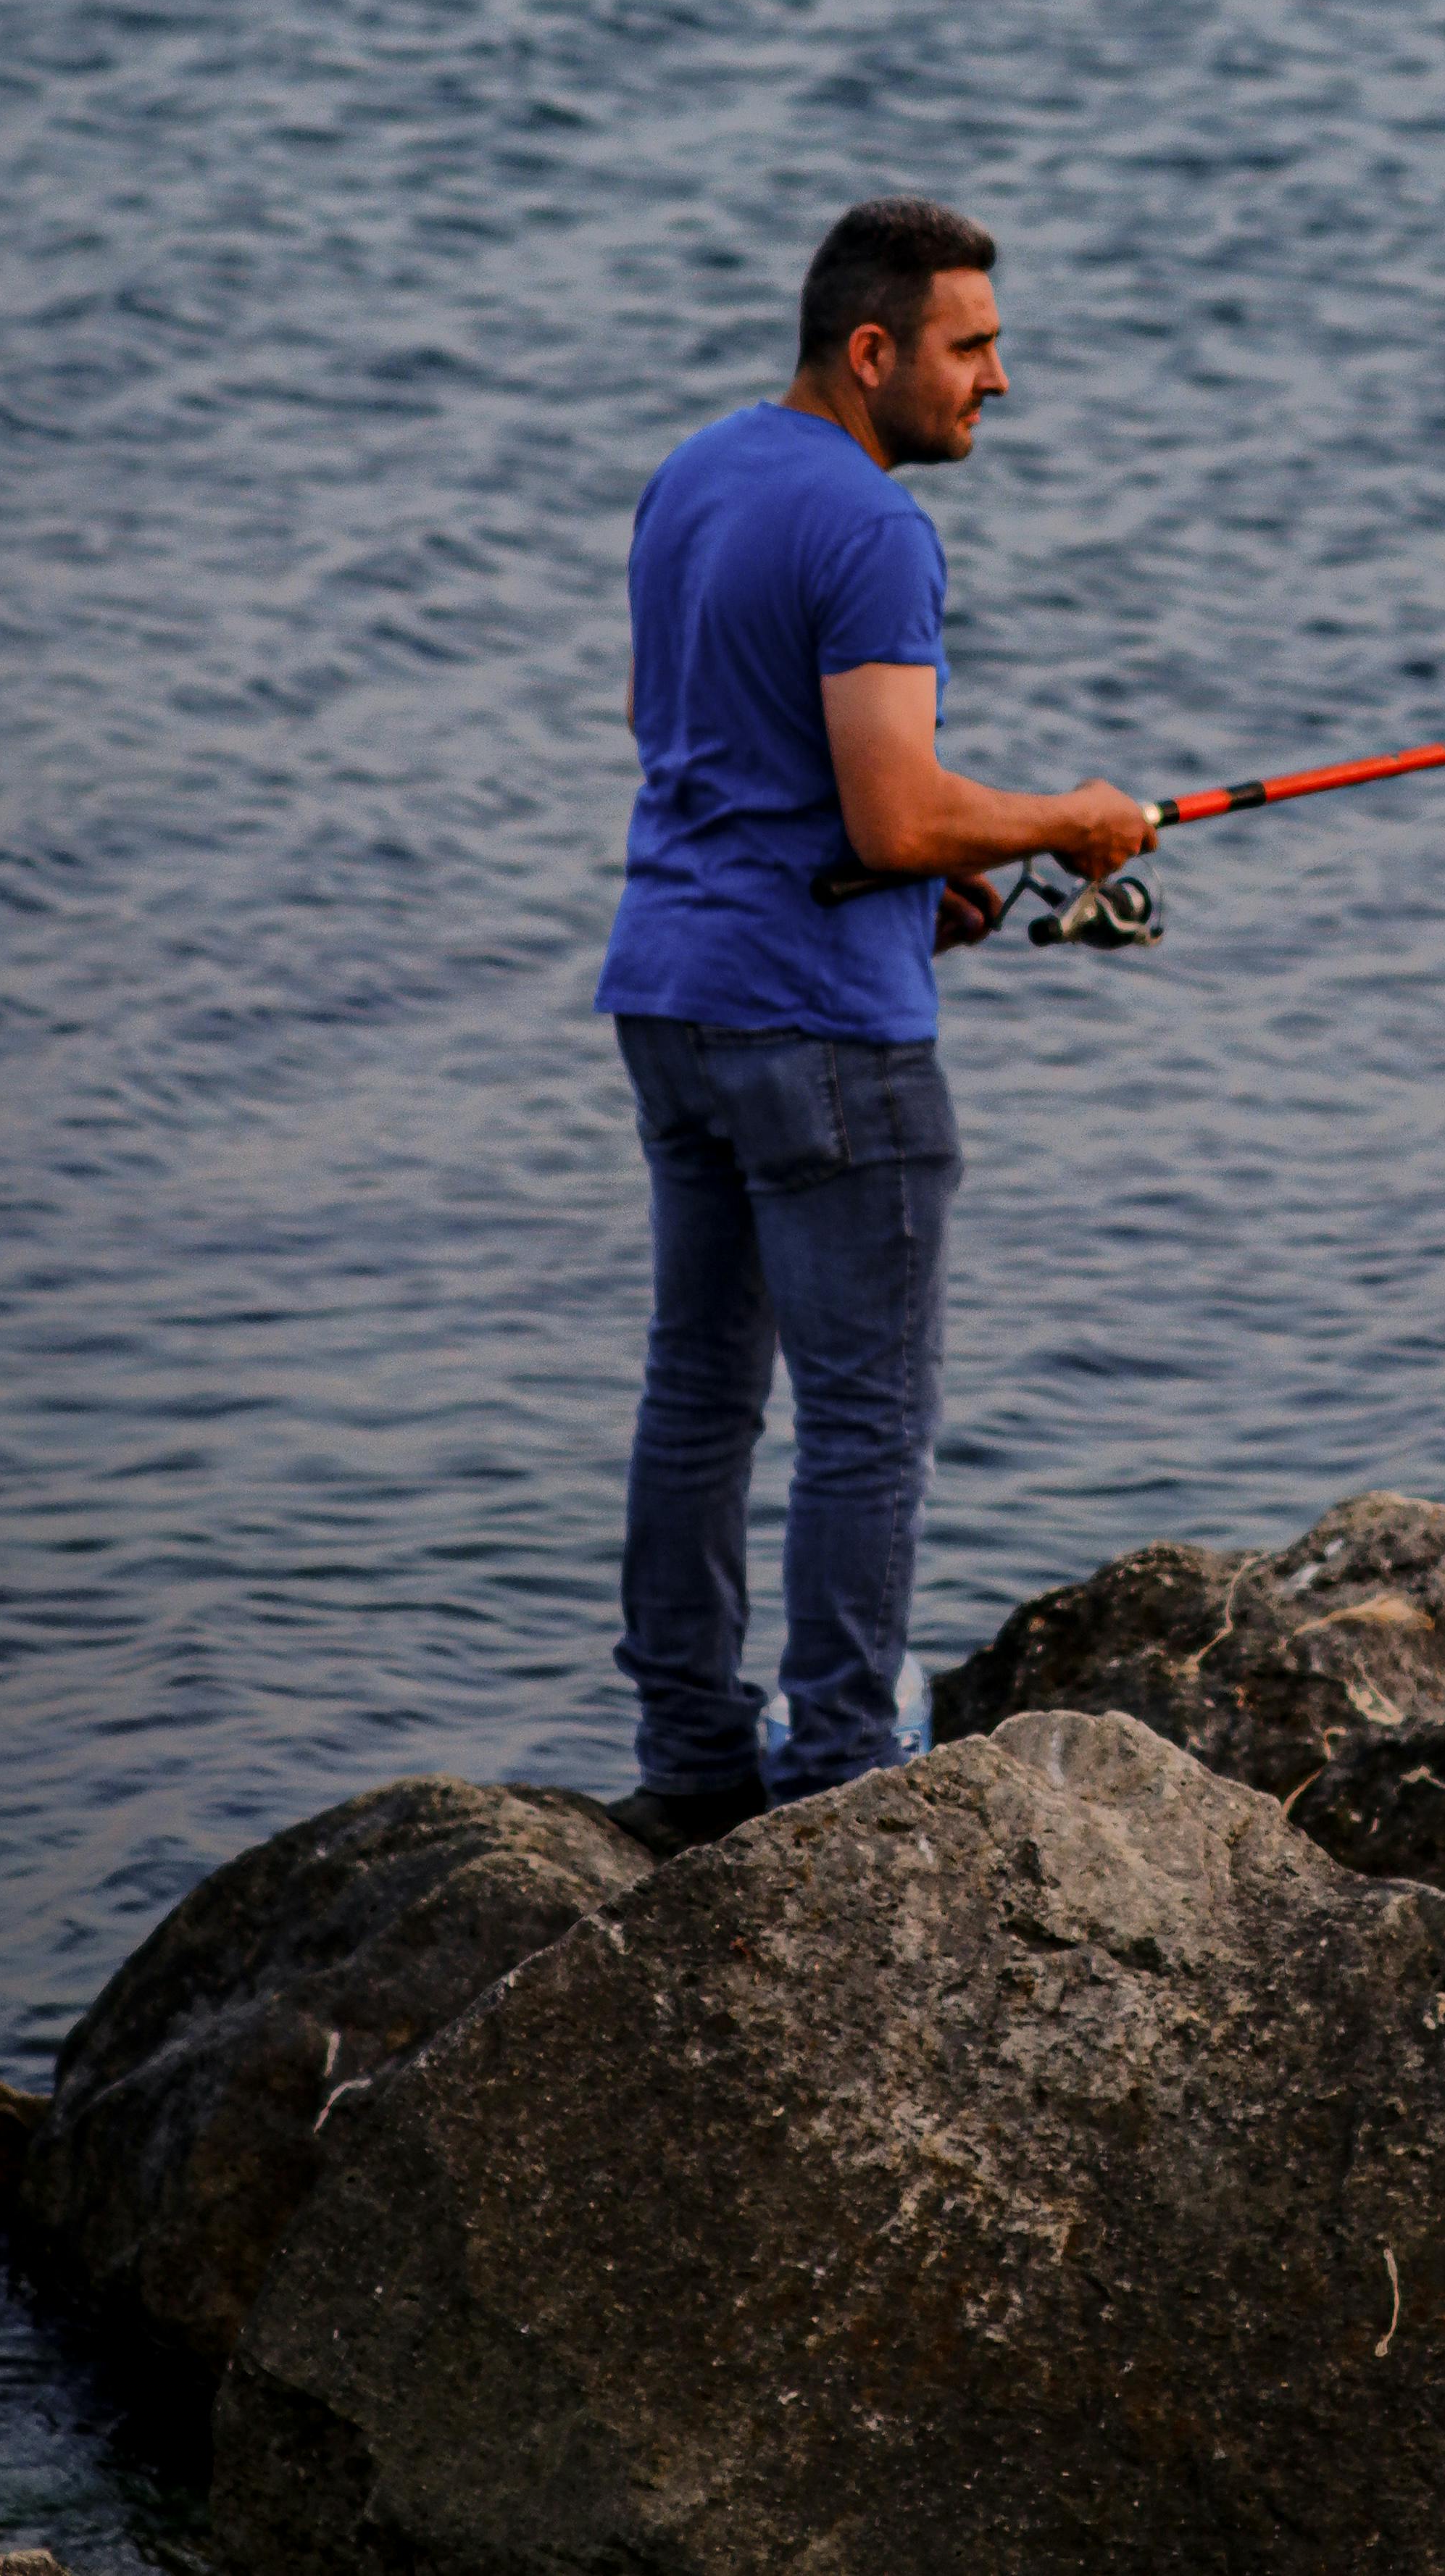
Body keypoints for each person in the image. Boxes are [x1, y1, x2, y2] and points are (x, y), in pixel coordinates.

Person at [594, 196, 1154, 1854]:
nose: (997, 380)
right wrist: (1065, 819)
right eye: (970, 346)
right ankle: (840, 1774)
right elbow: (897, 810)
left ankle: (690, 1756)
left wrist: (913, 880)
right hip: (819, 1030)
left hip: (671, 997)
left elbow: (684, 736)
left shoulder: (690, 475)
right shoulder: (873, 529)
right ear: (870, 351)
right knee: (865, 1415)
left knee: (696, 1393)